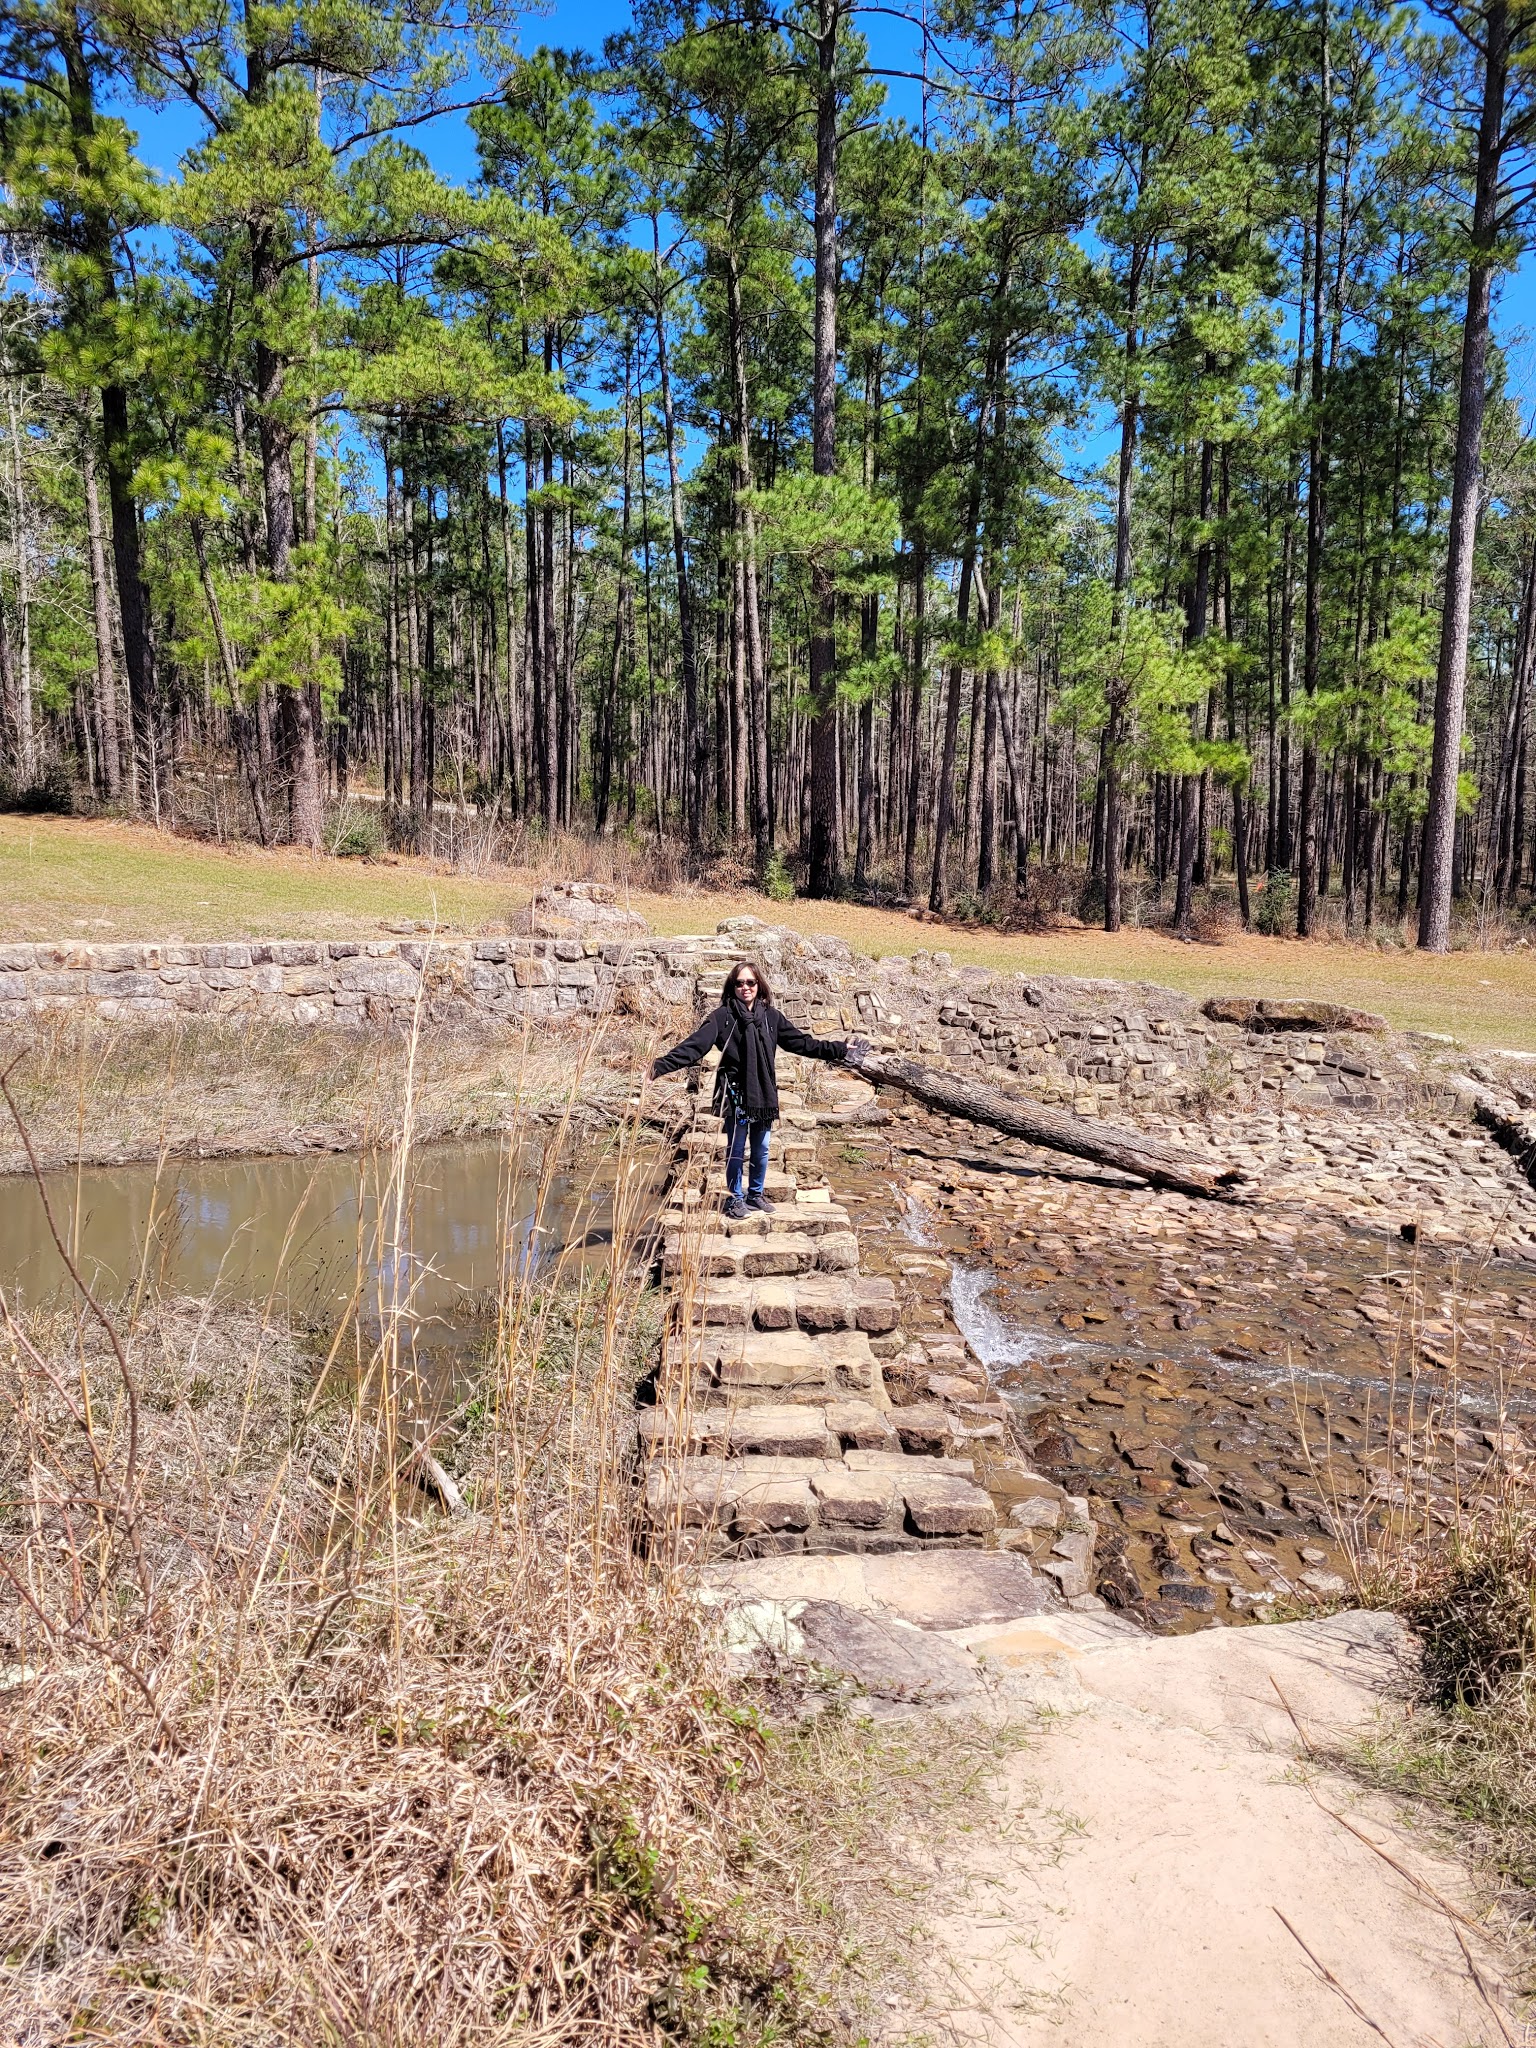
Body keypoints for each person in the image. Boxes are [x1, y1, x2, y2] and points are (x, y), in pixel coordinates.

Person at [649, 959, 863, 1219]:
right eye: (739, 983)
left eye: (750, 982)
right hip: (735, 1091)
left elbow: (802, 1043)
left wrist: (840, 1049)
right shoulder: (722, 1018)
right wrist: (657, 1068)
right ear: (733, 987)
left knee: (761, 1148)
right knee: (736, 1148)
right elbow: (693, 1047)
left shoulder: (771, 1017)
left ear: (759, 986)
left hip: (763, 1092)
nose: (745, 987)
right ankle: (736, 1198)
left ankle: (755, 1195)